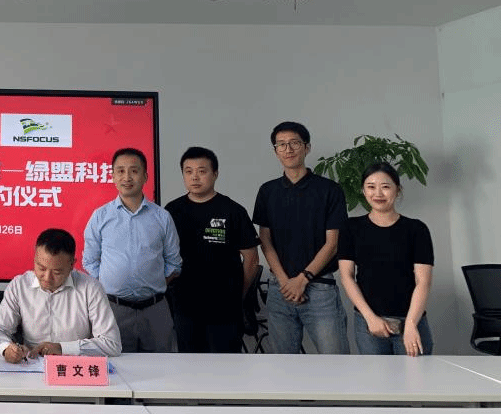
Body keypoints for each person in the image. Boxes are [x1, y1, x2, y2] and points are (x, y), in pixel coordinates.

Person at [252, 121, 349, 354]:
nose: (288, 149)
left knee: (336, 363)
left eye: (294, 143)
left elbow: (333, 243)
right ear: (276, 151)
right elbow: (265, 241)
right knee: (283, 366)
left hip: (319, 289)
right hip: (280, 290)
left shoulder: (329, 190)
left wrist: (302, 279)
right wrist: (285, 281)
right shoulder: (268, 191)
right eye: (281, 144)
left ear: (307, 147)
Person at [82, 148, 181, 352]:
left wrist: (154, 283)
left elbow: (174, 262)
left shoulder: (162, 217)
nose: (127, 177)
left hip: (155, 310)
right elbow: (90, 261)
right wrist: (109, 282)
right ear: (112, 177)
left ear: (145, 176)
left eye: (134, 171)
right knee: (117, 365)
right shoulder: (100, 216)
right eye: (120, 171)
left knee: (161, 366)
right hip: (112, 309)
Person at [166, 146, 260, 353]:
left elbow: (252, 259)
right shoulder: (171, 211)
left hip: (225, 307)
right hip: (185, 305)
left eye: (202, 171)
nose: (195, 177)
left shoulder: (233, 210)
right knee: (188, 364)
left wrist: (237, 294)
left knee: (225, 366)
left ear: (215, 174)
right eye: (188, 171)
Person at [338, 162, 434, 356]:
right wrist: (370, 317)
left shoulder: (417, 229)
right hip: (369, 323)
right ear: (363, 191)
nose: (378, 193)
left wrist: (411, 324)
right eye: (371, 187)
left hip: (411, 321)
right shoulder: (351, 228)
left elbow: (423, 282)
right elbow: (347, 276)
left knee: (417, 375)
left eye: (385, 187)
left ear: (397, 190)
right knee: (375, 376)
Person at [0, 228, 121, 360]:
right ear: (35, 259)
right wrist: (6, 349)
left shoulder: (90, 288)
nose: (47, 278)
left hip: (75, 365)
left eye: (57, 272)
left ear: (72, 265)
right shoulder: (19, 286)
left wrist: (62, 348)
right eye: (41, 268)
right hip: (31, 362)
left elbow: (111, 344)